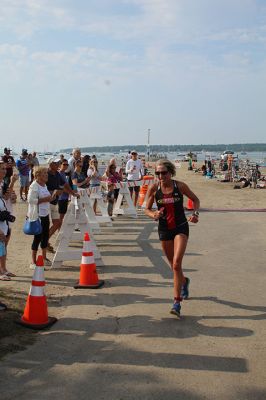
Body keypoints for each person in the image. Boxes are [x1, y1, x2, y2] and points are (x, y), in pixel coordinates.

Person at [145, 159, 200, 319]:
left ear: (170, 172)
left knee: (176, 264)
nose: (160, 176)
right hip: (164, 230)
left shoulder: (179, 186)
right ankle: (184, 281)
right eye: (158, 173)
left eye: (163, 172)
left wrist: (195, 214)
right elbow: (146, 209)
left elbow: (195, 200)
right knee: (174, 267)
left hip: (181, 227)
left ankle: (176, 302)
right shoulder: (154, 188)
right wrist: (153, 214)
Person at [47, 158, 78, 253]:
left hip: (54, 202)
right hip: (46, 203)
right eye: (57, 163)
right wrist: (54, 192)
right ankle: (45, 243)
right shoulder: (46, 174)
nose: (58, 164)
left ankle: (45, 240)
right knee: (45, 225)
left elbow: (65, 184)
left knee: (57, 223)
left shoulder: (57, 174)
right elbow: (41, 188)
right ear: (50, 164)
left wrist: (73, 193)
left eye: (59, 163)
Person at [28, 167, 56, 269]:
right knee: (37, 238)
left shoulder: (44, 185)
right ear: (38, 175)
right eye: (44, 173)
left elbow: (46, 198)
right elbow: (30, 200)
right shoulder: (34, 186)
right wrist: (46, 199)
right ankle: (33, 262)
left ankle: (44, 258)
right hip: (37, 215)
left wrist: (51, 198)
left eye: (46, 173)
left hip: (45, 214)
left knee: (45, 236)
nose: (46, 175)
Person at [0, 162, 16, 280]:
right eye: (2, 169)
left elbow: (6, 197)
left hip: (4, 218)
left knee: (4, 245)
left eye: (5, 168)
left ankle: (3, 269)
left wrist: (12, 184)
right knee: (1, 244)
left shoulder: (2, 183)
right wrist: (12, 182)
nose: (5, 171)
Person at [58, 159, 70, 227]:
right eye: (64, 164)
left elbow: (66, 185)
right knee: (61, 215)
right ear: (60, 165)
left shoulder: (63, 173)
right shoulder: (59, 173)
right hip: (61, 197)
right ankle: (59, 230)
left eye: (67, 164)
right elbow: (61, 187)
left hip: (65, 197)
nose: (66, 166)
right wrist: (71, 193)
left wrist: (71, 192)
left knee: (64, 215)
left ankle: (61, 229)